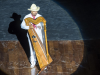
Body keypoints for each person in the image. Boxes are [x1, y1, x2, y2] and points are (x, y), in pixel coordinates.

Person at [21, 3, 45, 68]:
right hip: (31, 35)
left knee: (41, 49)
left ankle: (42, 62)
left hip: (39, 35)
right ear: (31, 11)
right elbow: (22, 26)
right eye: (34, 11)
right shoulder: (27, 17)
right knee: (32, 49)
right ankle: (33, 62)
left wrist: (40, 26)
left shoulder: (40, 16)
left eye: (36, 11)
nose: (36, 12)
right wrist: (29, 27)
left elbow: (43, 25)